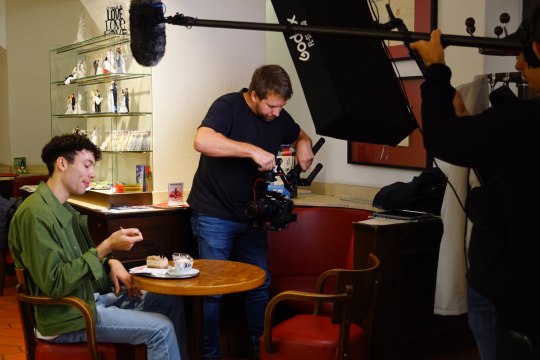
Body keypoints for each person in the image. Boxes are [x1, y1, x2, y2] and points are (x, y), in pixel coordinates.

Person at [410, 9, 540, 360]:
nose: (517, 66)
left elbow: (438, 138)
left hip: (512, 299)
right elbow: (514, 171)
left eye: (522, 54)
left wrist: (436, 69)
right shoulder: (518, 128)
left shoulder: (522, 122)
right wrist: (469, 125)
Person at [8, 133, 188, 360]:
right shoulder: (35, 214)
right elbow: (54, 283)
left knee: (169, 300)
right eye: (86, 165)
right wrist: (105, 247)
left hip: (86, 300)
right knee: (161, 329)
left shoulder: (60, 208)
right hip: (66, 318)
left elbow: (73, 264)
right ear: (62, 163)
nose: (92, 174)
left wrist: (108, 262)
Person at [187, 64, 314, 360]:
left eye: (282, 106)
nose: (276, 113)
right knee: (212, 292)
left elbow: (298, 134)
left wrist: (304, 144)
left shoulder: (278, 115)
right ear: (254, 95)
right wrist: (251, 150)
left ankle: (261, 354)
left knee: (260, 285)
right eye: (271, 106)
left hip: (254, 217)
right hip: (214, 215)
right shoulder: (227, 105)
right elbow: (202, 141)